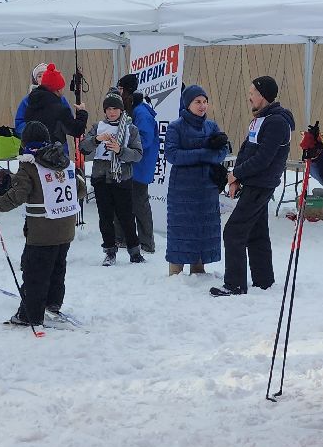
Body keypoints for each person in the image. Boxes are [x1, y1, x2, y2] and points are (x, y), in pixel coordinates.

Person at [0, 120, 79, 331]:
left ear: (25, 143)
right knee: (57, 266)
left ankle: (29, 315)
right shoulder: (65, 162)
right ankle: (53, 302)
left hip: (42, 230)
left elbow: (18, 195)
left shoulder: (29, 166)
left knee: (35, 273)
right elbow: (81, 189)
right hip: (66, 226)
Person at [214, 76, 295, 297]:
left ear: (263, 95)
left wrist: (236, 174)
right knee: (257, 233)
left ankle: (235, 284)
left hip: (261, 184)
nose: (249, 97)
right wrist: (236, 178)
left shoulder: (276, 122)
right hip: (253, 182)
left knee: (233, 232)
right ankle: (264, 280)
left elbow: (263, 159)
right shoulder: (261, 119)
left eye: (252, 93)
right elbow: (246, 149)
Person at [162, 85, 228, 276]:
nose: (202, 106)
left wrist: (211, 152)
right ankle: (175, 271)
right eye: (197, 102)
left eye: (205, 101)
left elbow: (223, 152)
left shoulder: (211, 127)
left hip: (207, 189)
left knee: (203, 229)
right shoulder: (175, 127)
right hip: (182, 190)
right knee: (181, 229)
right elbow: (172, 155)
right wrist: (204, 154)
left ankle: (199, 269)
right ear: (187, 104)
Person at [81, 90, 145, 265]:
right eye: (108, 109)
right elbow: (83, 147)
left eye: (115, 108)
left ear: (121, 110)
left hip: (122, 178)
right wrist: (96, 140)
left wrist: (120, 150)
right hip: (101, 177)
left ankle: (134, 251)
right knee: (105, 217)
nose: (112, 112)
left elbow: (138, 154)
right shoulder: (98, 127)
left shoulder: (130, 128)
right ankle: (109, 251)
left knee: (126, 216)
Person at [118, 72, 160, 253]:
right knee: (124, 203)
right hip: (130, 164)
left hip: (139, 166)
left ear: (128, 90)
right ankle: (123, 238)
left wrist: (123, 144)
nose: (118, 92)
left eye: (120, 88)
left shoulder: (141, 112)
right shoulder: (130, 108)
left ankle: (146, 243)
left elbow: (145, 140)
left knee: (140, 204)